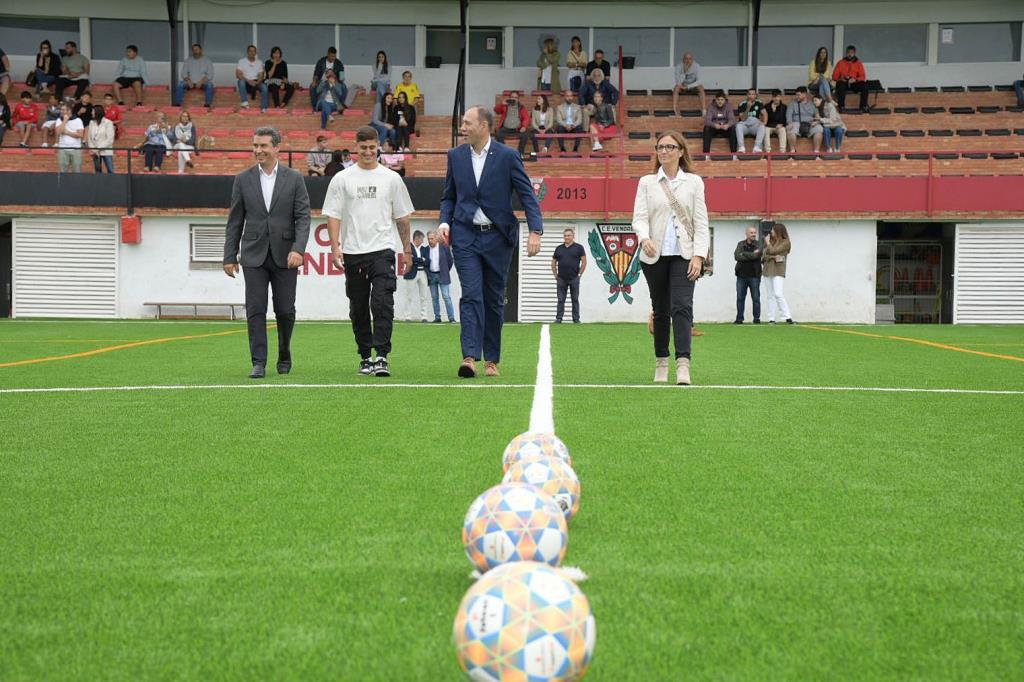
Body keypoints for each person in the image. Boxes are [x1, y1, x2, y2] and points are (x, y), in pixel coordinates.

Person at [438, 105, 544, 378]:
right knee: (471, 295)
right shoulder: (455, 156)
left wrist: (536, 230)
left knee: (494, 299)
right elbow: (449, 195)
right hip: (465, 236)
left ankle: (492, 360)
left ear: (484, 126)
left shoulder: (507, 156)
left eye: (467, 123)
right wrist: (444, 221)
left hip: (498, 237)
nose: (462, 128)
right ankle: (469, 357)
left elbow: (527, 195)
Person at [324, 126, 414, 378]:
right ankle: (365, 356)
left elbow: (403, 218)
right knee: (359, 306)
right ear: (356, 147)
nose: (367, 152)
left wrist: (406, 251)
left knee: (383, 302)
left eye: (372, 147)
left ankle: (382, 356)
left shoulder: (392, 179)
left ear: (378, 147)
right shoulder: (342, 179)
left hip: (383, 250)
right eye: (363, 147)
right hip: (353, 252)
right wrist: (335, 247)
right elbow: (333, 215)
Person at [223, 126, 311, 379]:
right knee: (255, 308)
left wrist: (298, 249)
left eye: (263, 146)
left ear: (276, 148)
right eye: (255, 146)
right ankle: (258, 361)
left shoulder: (294, 179)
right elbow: (235, 220)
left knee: (285, 309)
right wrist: (229, 256)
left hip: (286, 255)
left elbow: (303, 218)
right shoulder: (243, 179)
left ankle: (284, 351)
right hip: (253, 254)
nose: (258, 150)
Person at [631, 130, 710, 385]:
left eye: (669, 147)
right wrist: (644, 238)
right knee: (661, 310)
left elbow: (700, 221)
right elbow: (639, 217)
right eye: (660, 147)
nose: (664, 151)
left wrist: (698, 255)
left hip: (684, 255)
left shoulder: (694, 182)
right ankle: (661, 362)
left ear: (680, 151)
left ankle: (683, 365)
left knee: (682, 307)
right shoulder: (646, 182)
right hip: (654, 256)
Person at [551, 228, 587, 324]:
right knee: (560, 299)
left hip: (574, 278)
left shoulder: (579, 248)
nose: (566, 237)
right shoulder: (559, 248)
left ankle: (576, 319)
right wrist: (555, 275)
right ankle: (559, 318)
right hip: (561, 279)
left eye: (568, 235)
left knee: (575, 299)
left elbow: (584, 262)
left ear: (573, 236)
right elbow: (553, 262)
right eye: (565, 235)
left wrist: (579, 274)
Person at [762, 223, 793, 324]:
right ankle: (771, 318)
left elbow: (775, 251)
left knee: (778, 293)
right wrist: (771, 256)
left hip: (778, 270)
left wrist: (768, 244)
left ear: (778, 231)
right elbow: (763, 257)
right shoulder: (770, 241)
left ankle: (787, 316)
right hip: (767, 270)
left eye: (773, 230)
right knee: (770, 295)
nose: (771, 232)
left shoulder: (786, 242)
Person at [426, 230, 456, 323]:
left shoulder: (444, 248)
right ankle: (437, 317)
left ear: (436, 238)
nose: (430, 240)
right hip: (432, 275)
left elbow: (450, 262)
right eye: (429, 239)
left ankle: (451, 318)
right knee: (434, 297)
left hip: (442, 275)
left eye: (432, 238)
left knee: (446, 296)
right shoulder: (426, 249)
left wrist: (445, 271)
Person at [733, 226, 761, 324]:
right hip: (741, 276)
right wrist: (750, 255)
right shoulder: (740, 244)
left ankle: (756, 319)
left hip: (754, 276)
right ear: (746, 233)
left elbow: (756, 256)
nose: (754, 234)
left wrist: (744, 254)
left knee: (756, 298)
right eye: (751, 232)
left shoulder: (758, 244)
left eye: (754, 232)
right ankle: (739, 319)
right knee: (740, 298)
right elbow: (736, 256)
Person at [401, 230, 430, 322]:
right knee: (408, 295)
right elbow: (409, 259)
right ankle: (407, 316)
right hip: (411, 273)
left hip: (423, 273)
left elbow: (428, 261)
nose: (423, 241)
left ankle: (424, 316)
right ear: (416, 238)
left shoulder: (425, 249)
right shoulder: (408, 247)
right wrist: (421, 259)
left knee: (424, 295)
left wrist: (416, 259)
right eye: (422, 239)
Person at [175, 43, 215, 108]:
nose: (195, 51)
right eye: (194, 50)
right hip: (190, 82)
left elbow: (210, 75)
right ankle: (178, 105)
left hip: (202, 83)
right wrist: (188, 81)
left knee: (210, 85)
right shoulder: (188, 61)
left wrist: (201, 82)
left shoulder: (207, 61)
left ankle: (207, 105)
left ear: (201, 50)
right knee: (180, 84)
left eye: (197, 49)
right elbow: (183, 73)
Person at [786, 86, 823, 153]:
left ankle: (816, 152)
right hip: (796, 123)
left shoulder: (812, 104)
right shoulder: (792, 103)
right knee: (790, 129)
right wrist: (790, 122)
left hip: (810, 123)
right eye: (796, 95)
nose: (797, 96)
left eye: (799, 95)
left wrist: (817, 122)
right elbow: (788, 115)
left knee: (819, 129)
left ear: (805, 94)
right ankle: (792, 151)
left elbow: (817, 116)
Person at [494, 90, 530, 159]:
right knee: (498, 133)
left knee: (525, 134)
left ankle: (520, 153)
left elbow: (526, 118)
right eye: (512, 97)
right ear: (510, 98)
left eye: (516, 97)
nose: (514, 99)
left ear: (518, 99)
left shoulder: (521, 107)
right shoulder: (505, 106)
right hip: (506, 129)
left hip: (517, 129)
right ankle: (505, 152)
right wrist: (502, 104)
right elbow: (496, 111)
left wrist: (524, 126)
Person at [832, 45, 869, 112]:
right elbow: (834, 77)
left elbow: (863, 76)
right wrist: (841, 78)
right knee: (840, 85)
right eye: (848, 52)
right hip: (843, 82)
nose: (850, 54)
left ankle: (863, 106)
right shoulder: (840, 62)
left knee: (865, 85)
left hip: (854, 82)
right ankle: (841, 107)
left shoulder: (858, 63)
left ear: (854, 53)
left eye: (852, 53)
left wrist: (855, 79)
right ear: (846, 53)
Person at [236, 45, 268, 113]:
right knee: (240, 81)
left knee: (264, 87)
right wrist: (248, 81)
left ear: (256, 53)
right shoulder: (242, 61)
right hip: (245, 81)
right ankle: (245, 102)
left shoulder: (259, 62)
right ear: (247, 52)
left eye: (254, 51)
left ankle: (263, 108)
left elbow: (261, 75)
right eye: (250, 51)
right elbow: (238, 74)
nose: (252, 52)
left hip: (256, 81)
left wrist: (257, 82)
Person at [54, 101, 84, 173]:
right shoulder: (59, 120)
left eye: (63, 110)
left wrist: (67, 132)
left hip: (76, 149)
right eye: (61, 109)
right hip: (63, 149)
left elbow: (80, 135)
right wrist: (64, 121)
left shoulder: (78, 120)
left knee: (77, 171)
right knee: (63, 172)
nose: (61, 111)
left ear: (69, 110)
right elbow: (58, 132)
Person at [735, 88, 766, 154]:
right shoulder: (742, 104)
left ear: (755, 95)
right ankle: (741, 148)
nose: (751, 96)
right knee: (738, 126)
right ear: (747, 95)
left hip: (754, 126)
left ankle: (757, 148)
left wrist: (764, 122)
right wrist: (748, 107)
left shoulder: (759, 103)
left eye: (753, 94)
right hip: (745, 126)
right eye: (749, 94)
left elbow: (765, 113)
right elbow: (743, 118)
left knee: (762, 126)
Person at [87, 105, 115, 173]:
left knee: (110, 170)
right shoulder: (91, 122)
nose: (91, 113)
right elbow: (89, 138)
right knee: (98, 171)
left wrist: (97, 149)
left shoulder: (108, 123)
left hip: (106, 151)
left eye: (92, 111)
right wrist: (93, 149)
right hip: (95, 152)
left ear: (97, 112)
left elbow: (110, 140)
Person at [763, 89, 787, 153]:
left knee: (783, 130)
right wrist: (773, 111)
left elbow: (785, 120)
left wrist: (782, 124)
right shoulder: (767, 106)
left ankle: (782, 151)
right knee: (765, 130)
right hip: (769, 126)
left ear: (780, 97)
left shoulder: (784, 107)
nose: (776, 98)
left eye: (778, 96)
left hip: (779, 126)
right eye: (774, 97)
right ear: (772, 97)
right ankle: (767, 152)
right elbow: (766, 120)